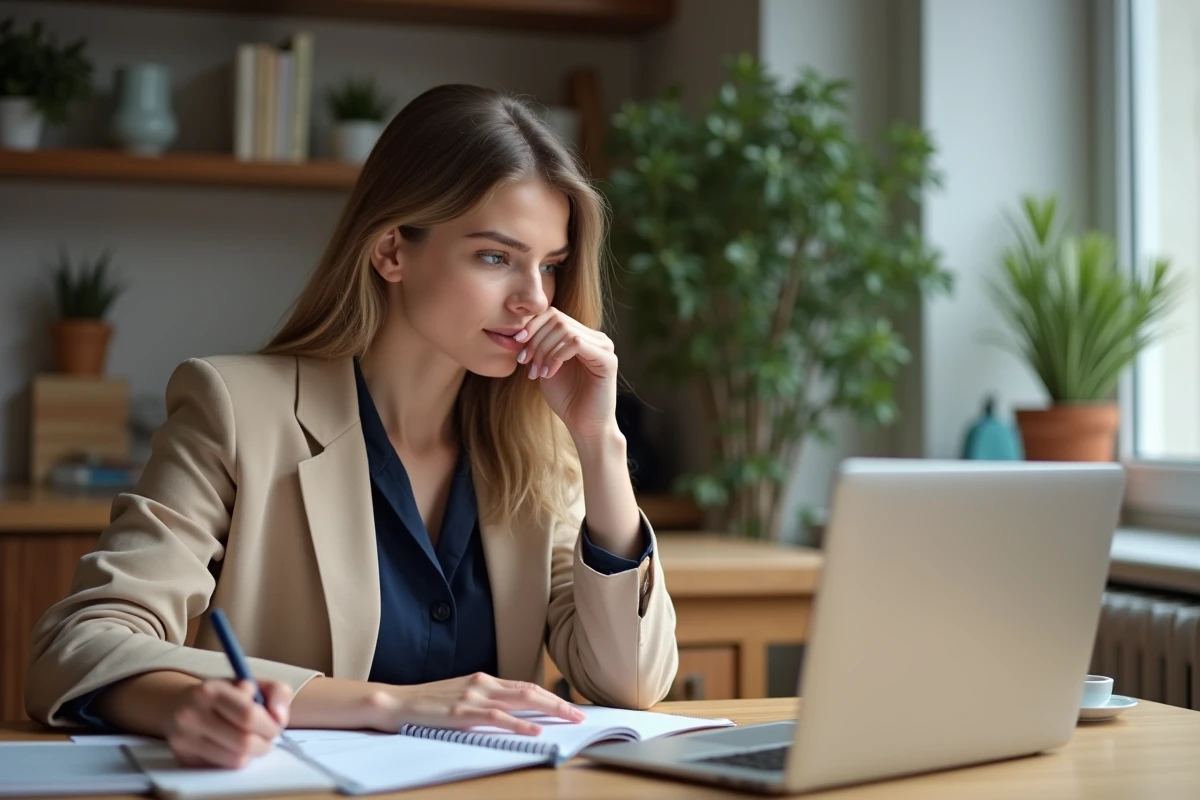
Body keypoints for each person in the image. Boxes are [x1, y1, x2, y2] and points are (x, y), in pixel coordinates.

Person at [24, 84, 679, 769]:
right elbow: (78, 645)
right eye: (495, 257)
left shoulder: (542, 444)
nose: (534, 301)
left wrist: (600, 445)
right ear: (392, 250)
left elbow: (627, 686)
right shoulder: (235, 409)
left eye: (550, 266)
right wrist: (368, 706)